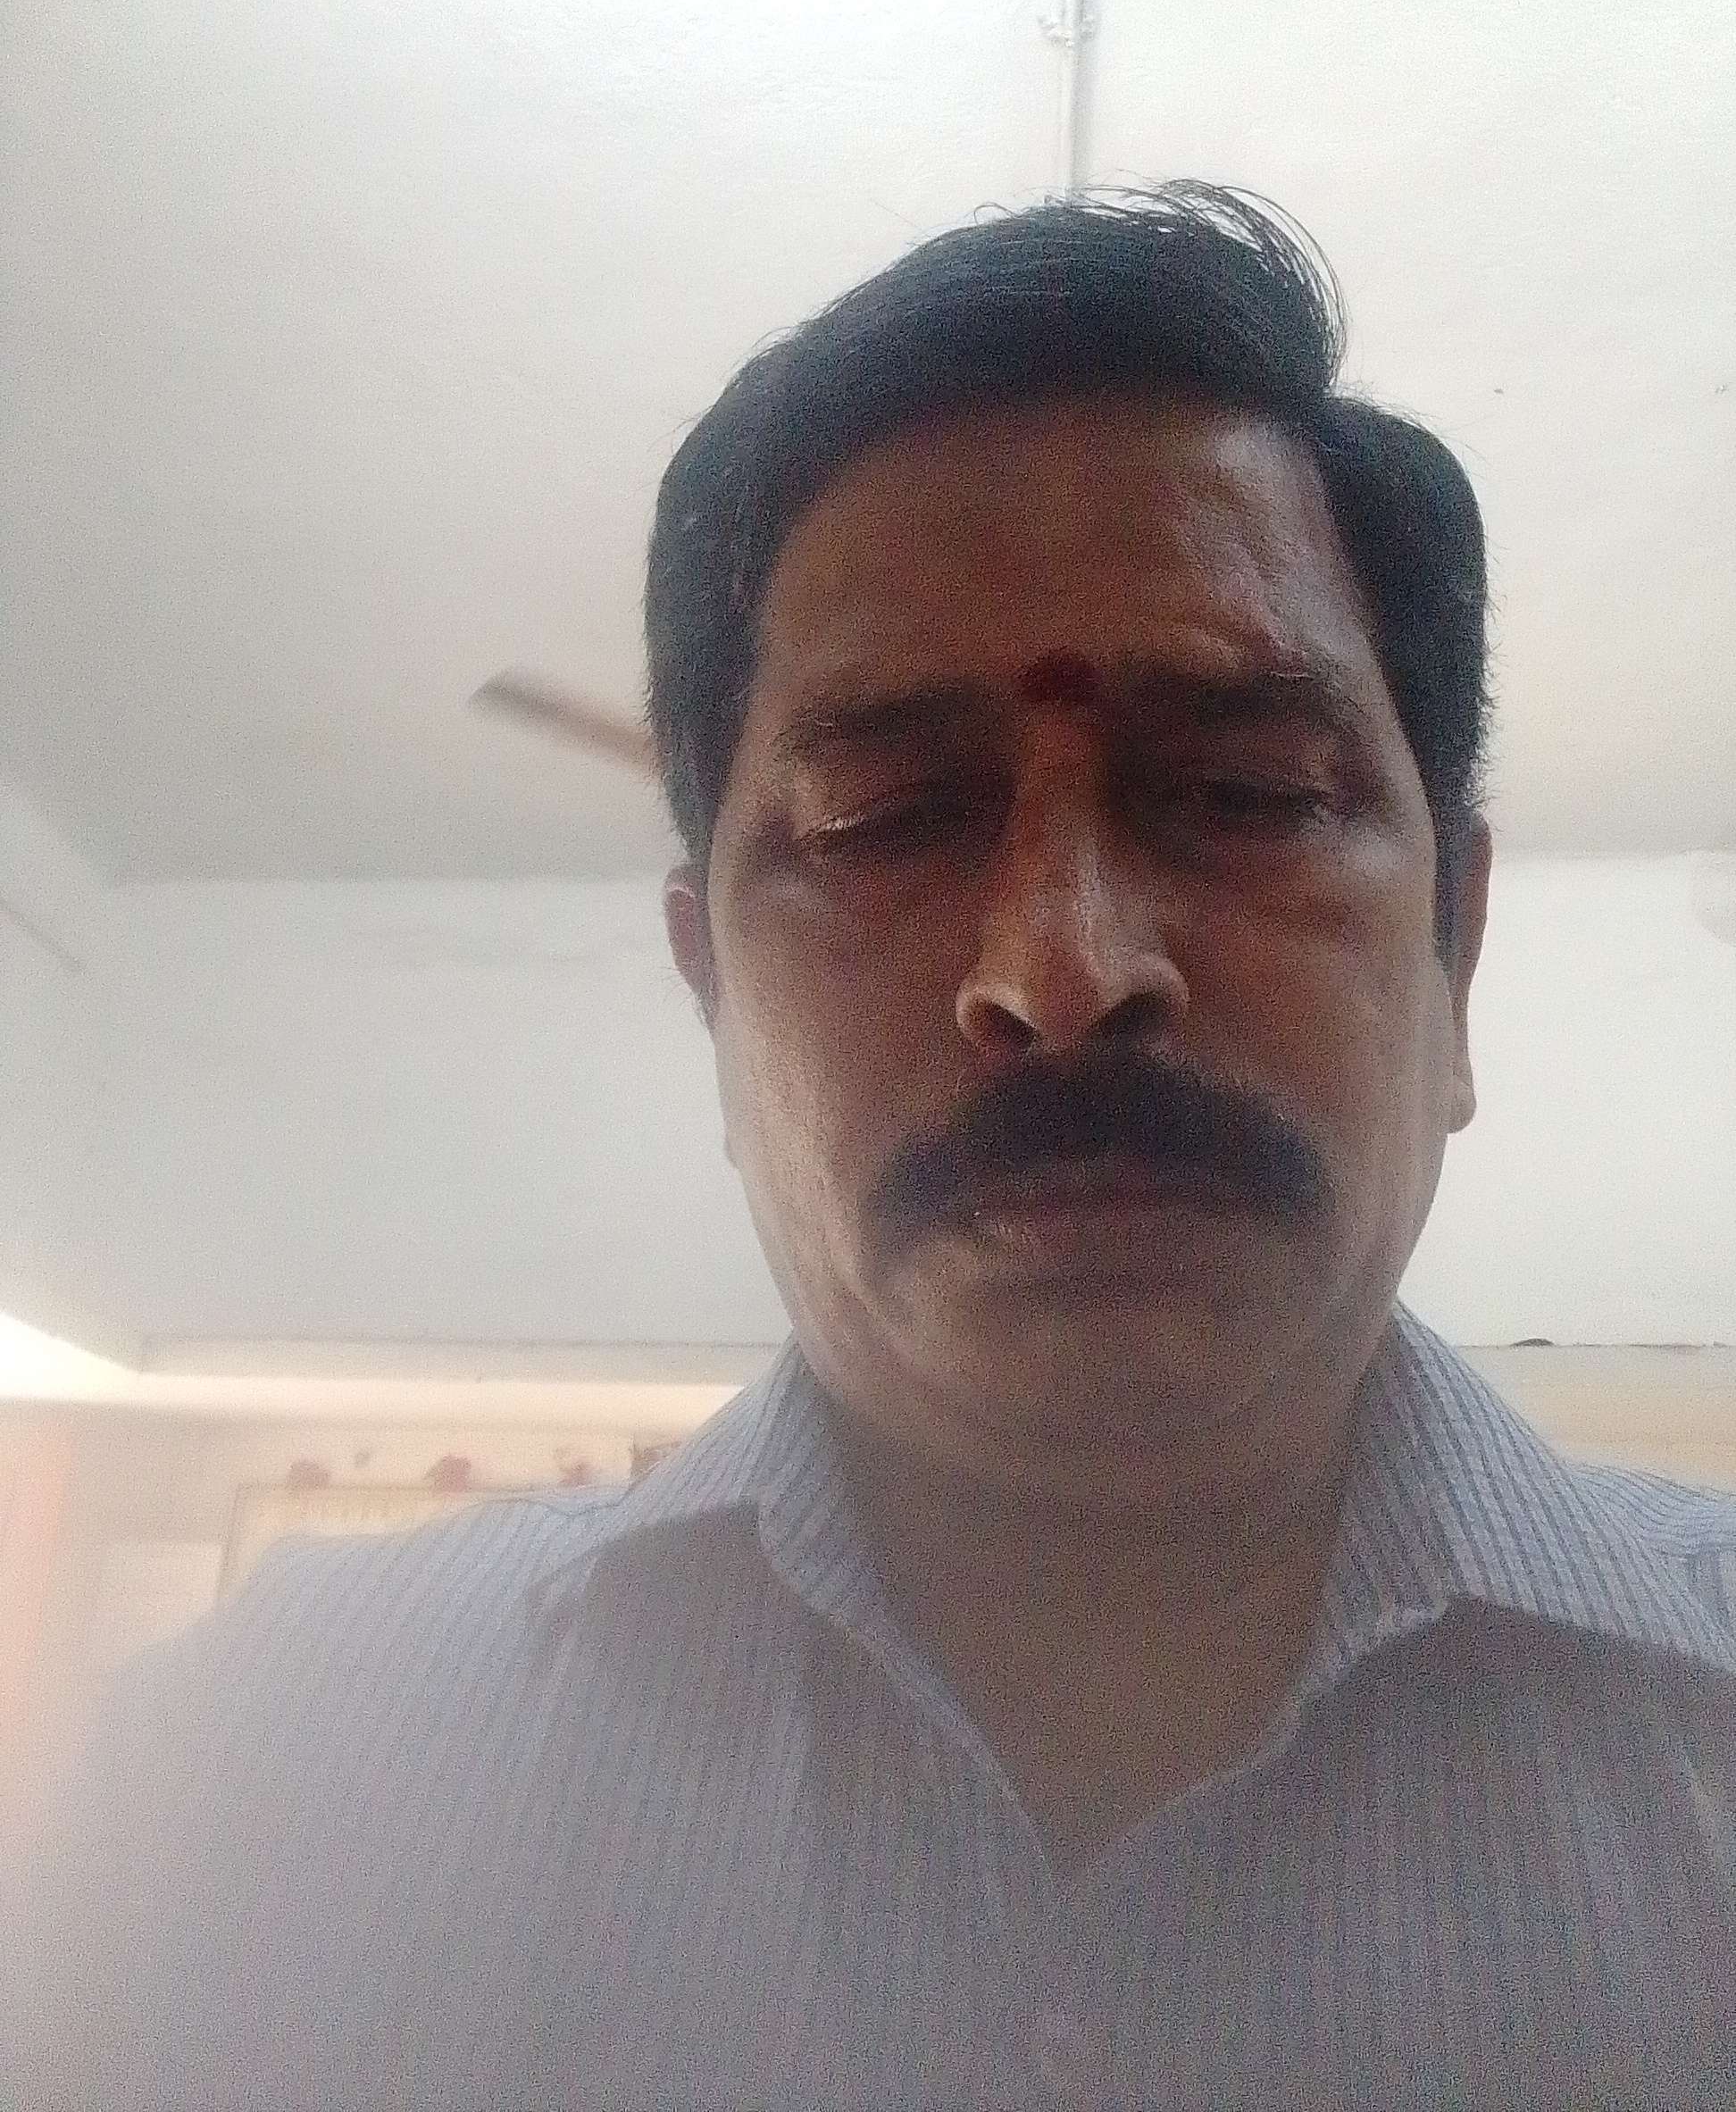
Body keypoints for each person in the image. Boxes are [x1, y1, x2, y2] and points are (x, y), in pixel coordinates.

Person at [8, 186, 1734, 2110]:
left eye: (1248, 792)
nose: (1063, 972)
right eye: (882, 820)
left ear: (1456, 956)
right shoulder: (249, 1788)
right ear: (715, 998)